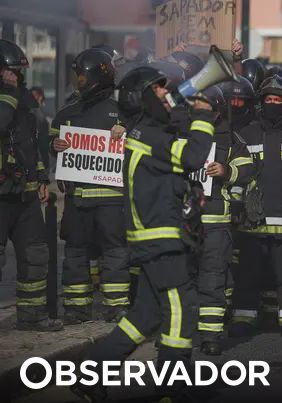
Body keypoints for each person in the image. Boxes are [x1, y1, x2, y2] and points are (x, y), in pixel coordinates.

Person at [71, 65, 216, 401]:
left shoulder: (145, 132)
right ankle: (172, 387)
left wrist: (188, 110)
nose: (166, 94)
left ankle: (88, 374)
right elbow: (194, 156)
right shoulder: (150, 138)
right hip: (160, 241)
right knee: (182, 311)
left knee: (144, 316)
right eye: (159, 90)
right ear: (142, 99)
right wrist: (203, 116)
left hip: (152, 240)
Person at [50, 48, 130, 324]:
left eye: (83, 77)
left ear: (98, 74)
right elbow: (51, 142)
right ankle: (76, 307)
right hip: (77, 199)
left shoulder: (123, 111)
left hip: (112, 199)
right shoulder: (68, 110)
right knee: (74, 251)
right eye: (78, 77)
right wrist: (54, 145)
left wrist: (126, 134)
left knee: (115, 252)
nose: (79, 82)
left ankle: (117, 306)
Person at [231, 75, 282, 339]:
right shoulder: (246, 134)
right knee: (248, 273)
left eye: (278, 100)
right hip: (254, 219)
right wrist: (238, 203)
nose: (273, 104)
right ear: (261, 102)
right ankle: (243, 318)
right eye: (269, 100)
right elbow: (237, 172)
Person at [0, 39, 62, 332]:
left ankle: (33, 316)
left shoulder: (23, 98)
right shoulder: (10, 97)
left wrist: (42, 179)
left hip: (24, 194)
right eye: (9, 71)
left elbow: (34, 141)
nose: (15, 76)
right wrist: (8, 94)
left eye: (17, 72)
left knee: (35, 256)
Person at [191, 85, 254, 356]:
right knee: (182, 277)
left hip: (216, 220)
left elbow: (249, 166)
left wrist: (227, 170)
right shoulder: (181, 132)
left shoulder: (229, 137)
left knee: (213, 278)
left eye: (209, 110)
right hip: (184, 219)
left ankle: (211, 335)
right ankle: (182, 332)